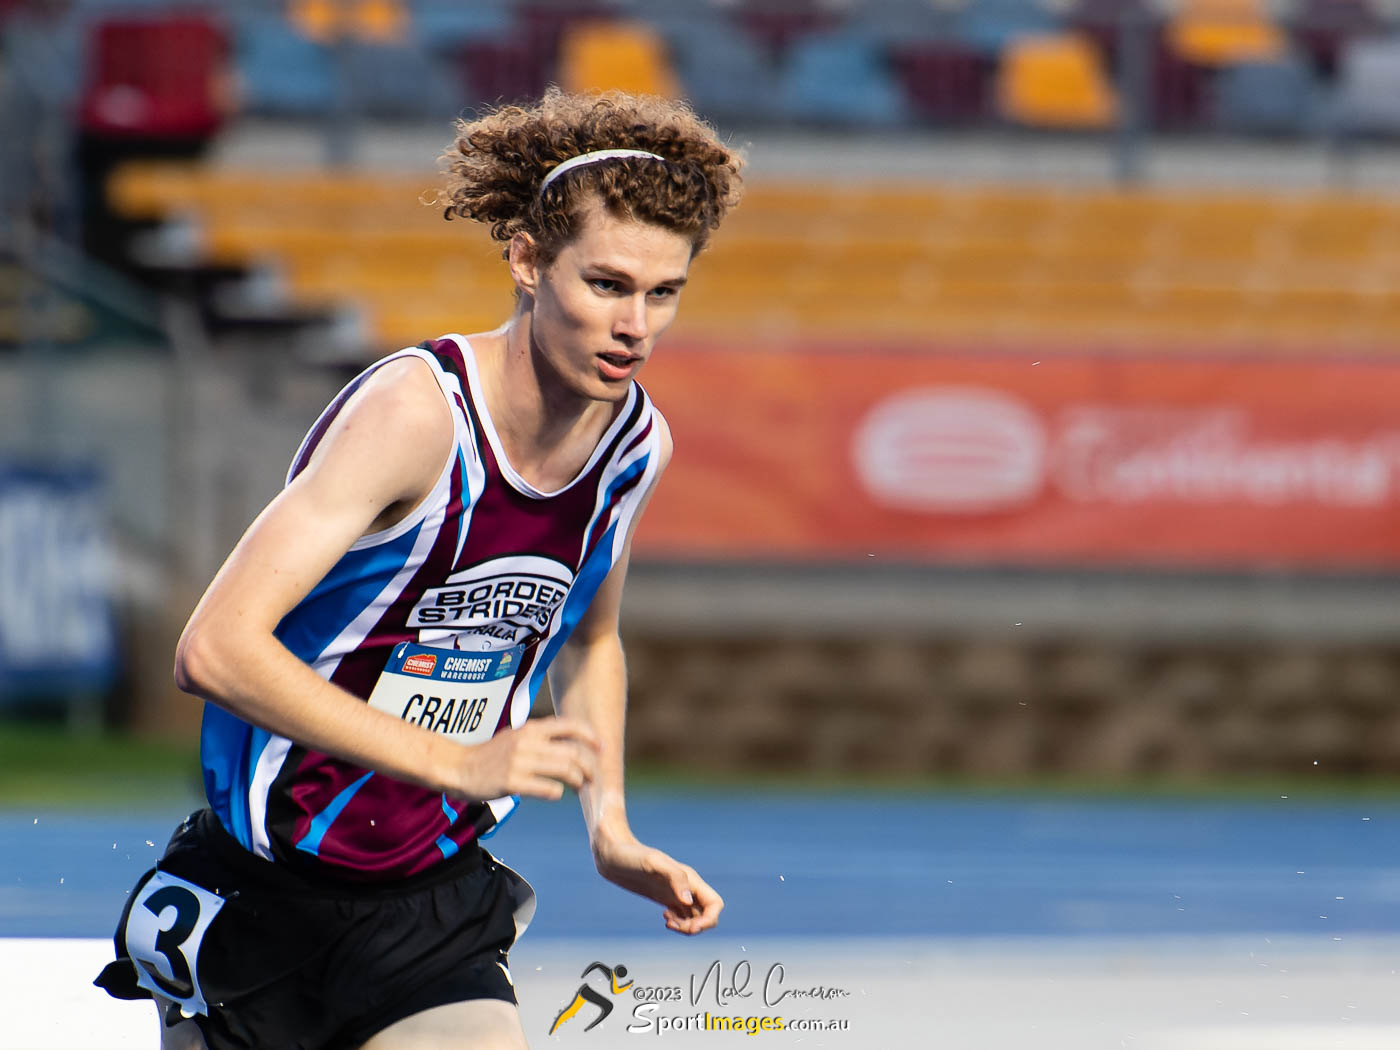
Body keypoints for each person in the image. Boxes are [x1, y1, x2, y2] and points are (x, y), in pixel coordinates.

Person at [95, 88, 744, 1049]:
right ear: (526, 260)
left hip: (432, 903)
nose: (635, 326)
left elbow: (593, 639)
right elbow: (215, 649)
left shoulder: (636, 447)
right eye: (606, 285)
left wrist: (609, 827)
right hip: (267, 894)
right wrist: (457, 758)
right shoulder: (416, 414)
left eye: (665, 293)